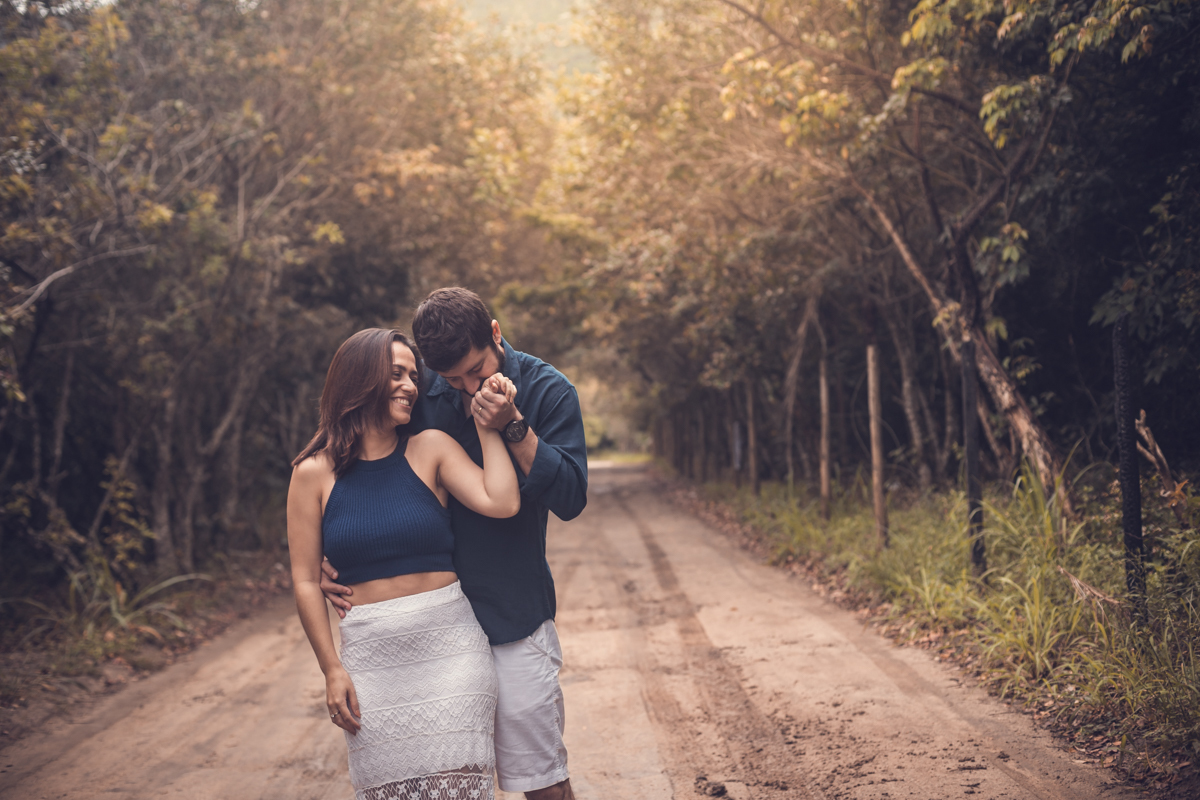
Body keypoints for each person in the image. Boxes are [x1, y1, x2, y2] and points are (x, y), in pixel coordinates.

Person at [322, 288, 588, 800]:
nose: (468, 388)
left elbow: (571, 498)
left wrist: (511, 426)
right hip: (429, 624)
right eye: (452, 379)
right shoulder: (420, 396)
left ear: (495, 333)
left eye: (477, 371)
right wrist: (327, 557)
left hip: (510, 614)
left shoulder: (550, 390)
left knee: (540, 780)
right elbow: (367, 469)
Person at [287, 327, 521, 800]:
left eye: (413, 376)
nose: (411, 386)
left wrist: (485, 425)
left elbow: (503, 501)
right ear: (359, 380)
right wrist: (331, 669)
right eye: (396, 374)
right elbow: (305, 580)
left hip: (452, 653)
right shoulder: (311, 472)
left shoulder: (429, 446)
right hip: (370, 662)